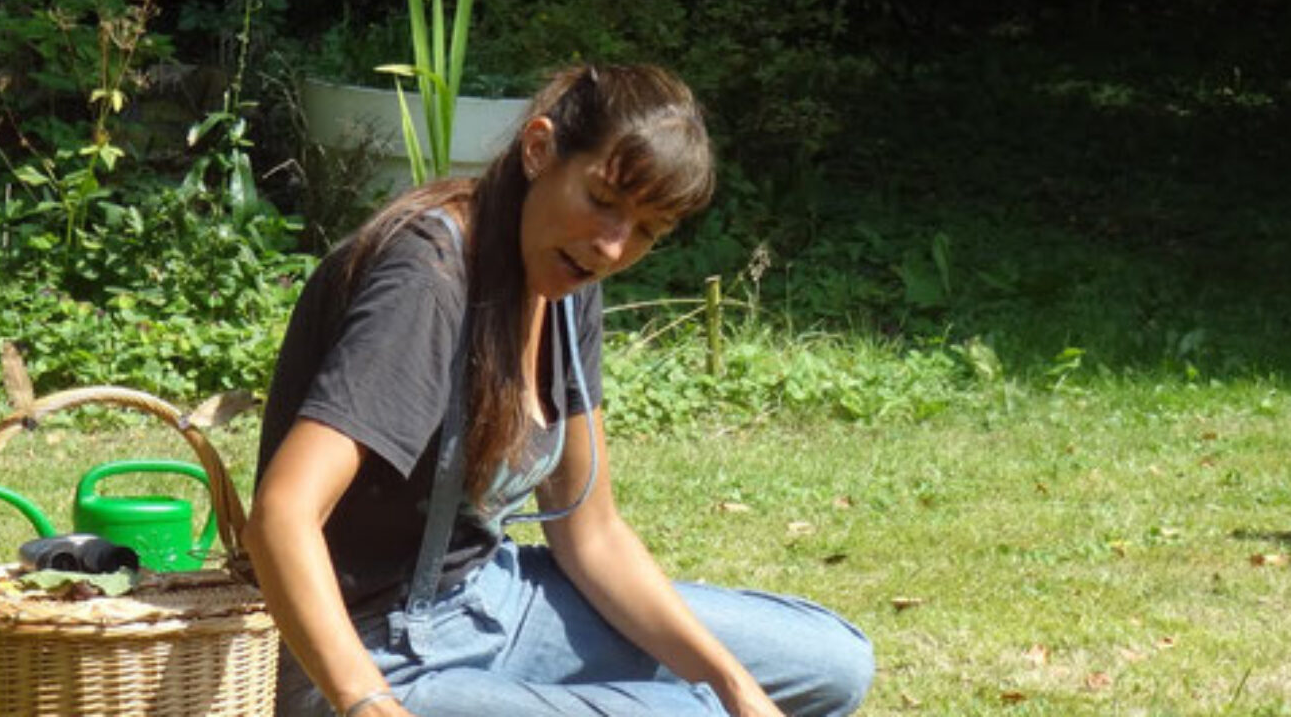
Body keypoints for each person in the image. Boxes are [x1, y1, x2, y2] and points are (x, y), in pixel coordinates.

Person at [247, 64, 873, 717]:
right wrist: (366, 701)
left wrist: (731, 684)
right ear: (539, 148)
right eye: (602, 200)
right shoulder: (426, 281)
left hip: (493, 602)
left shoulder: (568, 282)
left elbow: (589, 533)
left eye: (647, 230)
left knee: (834, 664)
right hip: (372, 653)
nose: (612, 247)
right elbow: (283, 515)